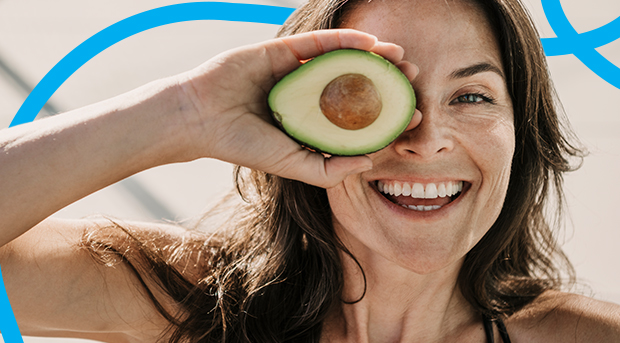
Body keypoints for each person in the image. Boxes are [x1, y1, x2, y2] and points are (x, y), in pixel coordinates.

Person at [1, 0, 619, 342]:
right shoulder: (193, 302)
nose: (427, 140)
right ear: (300, 129)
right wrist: (181, 113)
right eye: (372, 100)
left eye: (473, 96)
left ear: (522, 136)